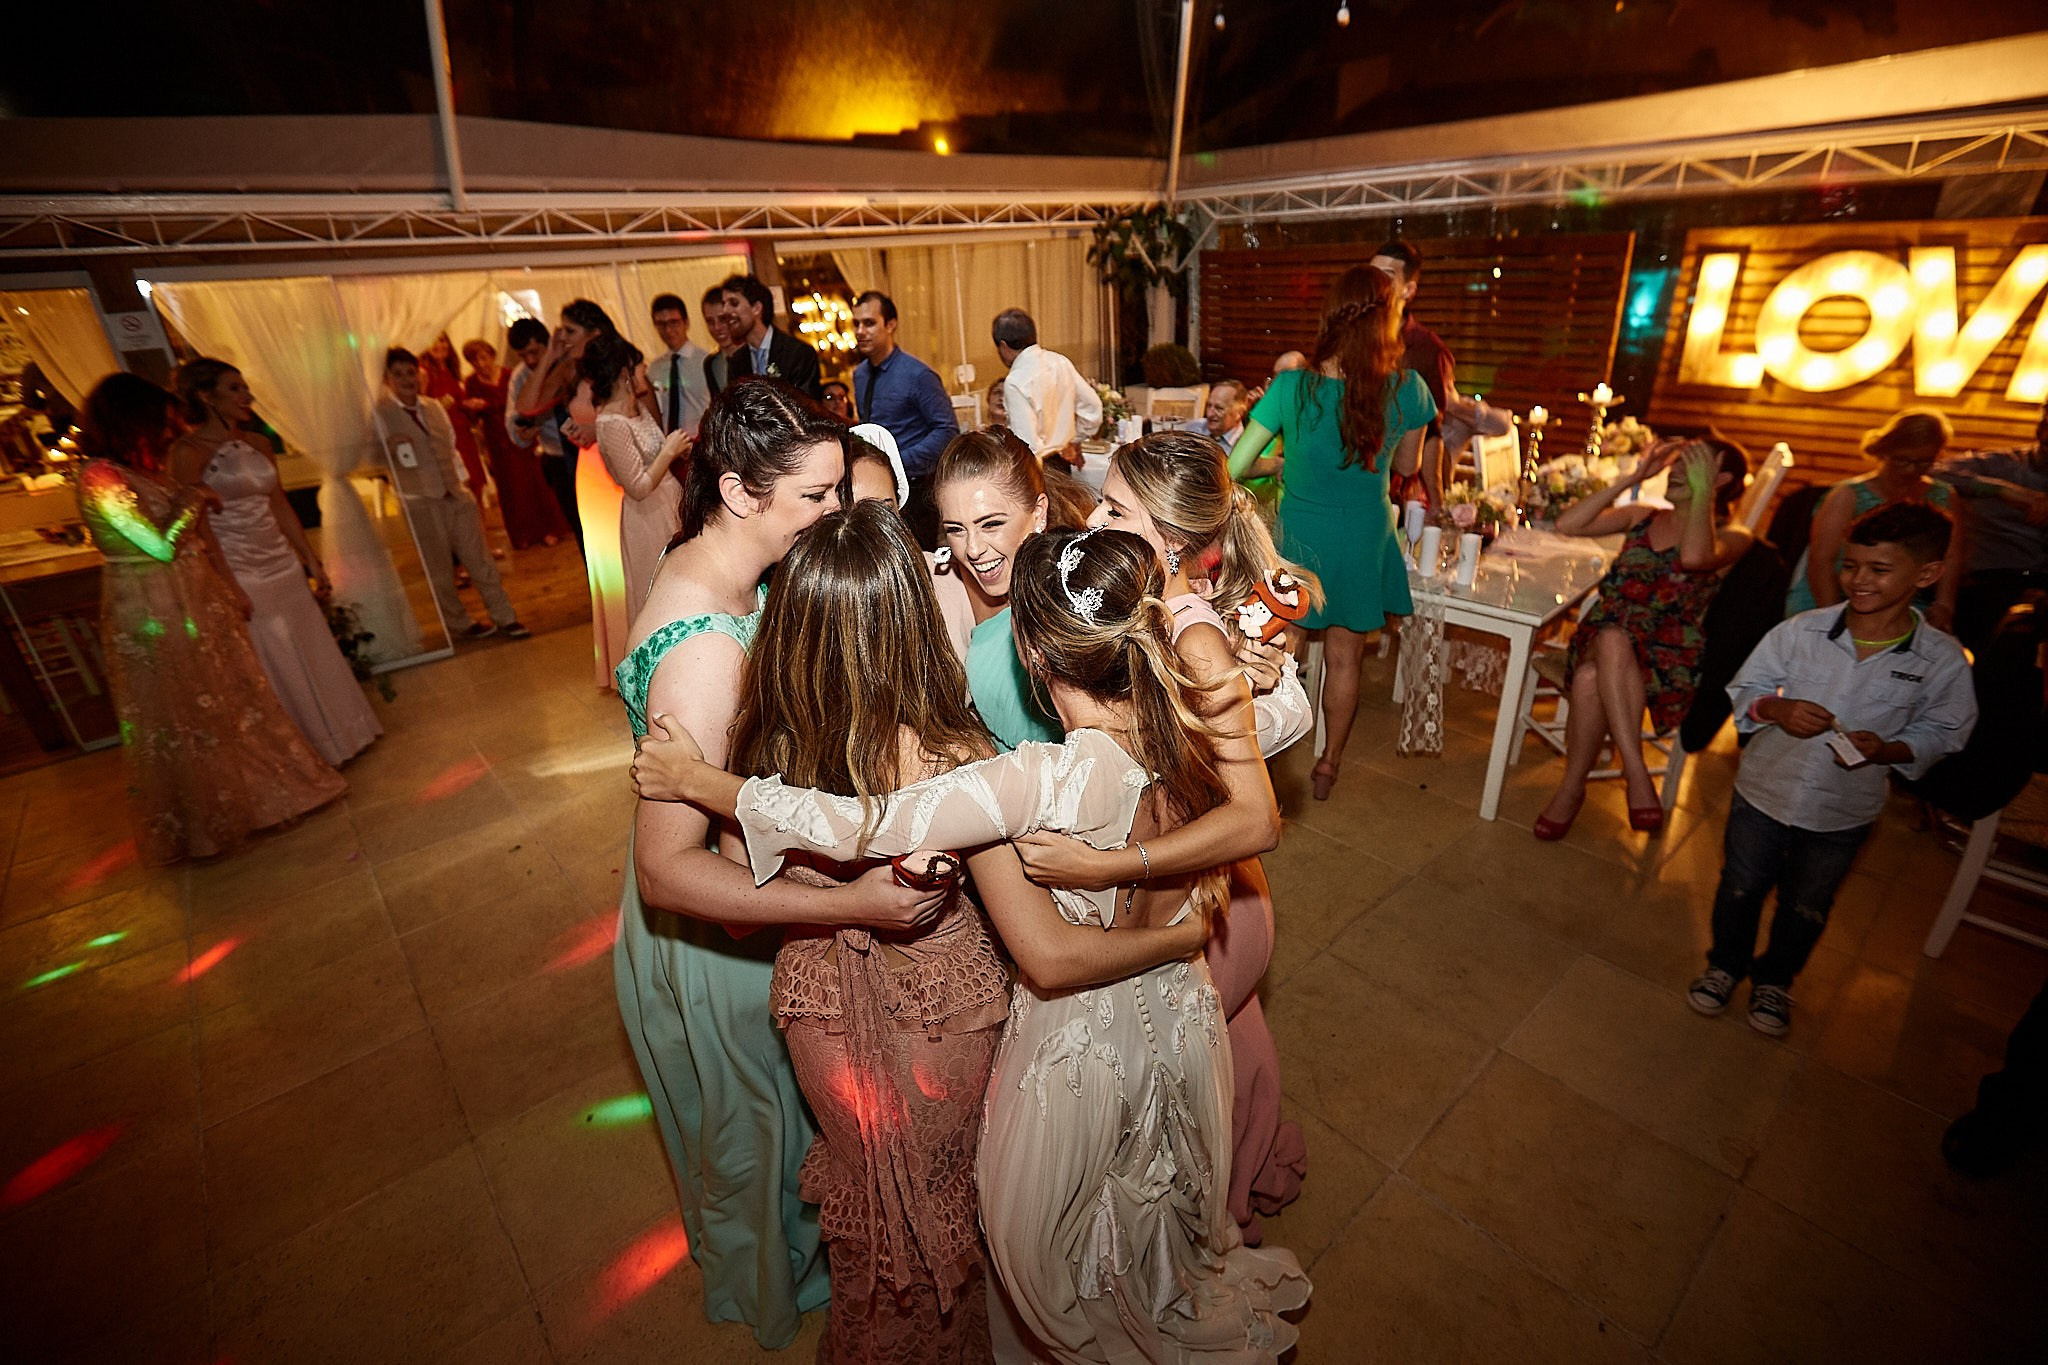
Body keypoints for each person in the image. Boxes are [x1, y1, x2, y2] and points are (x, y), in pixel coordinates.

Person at [646, 527, 1310, 1362]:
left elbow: (867, 824)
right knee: (1160, 1238)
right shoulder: (1201, 716)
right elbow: (1261, 808)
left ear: (1031, 650)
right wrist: (1175, 928)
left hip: (1079, 1055)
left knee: (1065, 1277)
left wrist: (703, 783)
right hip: (1182, 1029)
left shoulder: (1032, 783)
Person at [611, 380, 946, 1351]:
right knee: (760, 1145)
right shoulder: (703, 653)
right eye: (816, 497)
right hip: (723, 930)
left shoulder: (739, 566)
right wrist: (871, 907)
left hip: (769, 886)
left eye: (839, 489)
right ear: (738, 492)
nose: (836, 513)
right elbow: (668, 871)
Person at [1081, 429, 1317, 1242]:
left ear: (1173, 539)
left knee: (1180, 1094)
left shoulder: (1195, 632)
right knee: (1219, 1052)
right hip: (1209, 898)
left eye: (1113, 508)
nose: (1093, 521)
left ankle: (1202, 1219)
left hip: (1206, 906)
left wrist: (1113, 855)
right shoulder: (1141, 609)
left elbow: (1263, 791)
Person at [1690, 503, 1977, 1038]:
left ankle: (1775, 979)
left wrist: (1889, 749)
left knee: (1809, 903)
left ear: (1928, 574)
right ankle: (1724, 965)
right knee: (1740, 885)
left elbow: (1947, 729)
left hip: (1843, 810)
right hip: (1765, 791)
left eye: (1879, 570)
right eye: (1851, 566)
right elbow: (1747, 691)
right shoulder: (1801, 632)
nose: (1858, 580)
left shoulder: (1939, 661)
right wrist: (1777, 709)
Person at [74, 373, 346, 863]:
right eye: (159, 423)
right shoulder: (99, 479)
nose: (167, 432)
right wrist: (194, 498)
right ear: (130, 421)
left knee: (224, 698)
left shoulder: (142, 471)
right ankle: (205, 820)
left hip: (188, 594)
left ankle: (256, 795)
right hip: (152, 605)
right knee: (183, 710)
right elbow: (157, 546)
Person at [1227, 265, 1435, 801]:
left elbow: (1236, 466)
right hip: (1366, 537)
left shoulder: (1293, 386)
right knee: (1345, 659)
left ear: (1332, 317)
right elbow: (1408, 464)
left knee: (1279, 648)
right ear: (1388, 323)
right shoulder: (1408, 388)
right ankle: (1329, 764)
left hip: (1299, 539)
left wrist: (1281, 465)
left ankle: (1264, 759)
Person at [1533, 437, 1754, 840]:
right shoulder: (1643, 516)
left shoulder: (1735, 535)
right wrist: (1632, 478)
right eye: (1677, 465)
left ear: (1721, 479)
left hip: (1666, 655)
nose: (1675, 471)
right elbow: (1568, 524)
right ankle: (1635, 774)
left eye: (1692, 467)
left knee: (1587, 679)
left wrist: (1702, 495)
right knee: (1614, 636)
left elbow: (1694, 558)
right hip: (1603, 633)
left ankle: (1572, 788)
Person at [167, 358, 382, 768]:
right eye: (234, 388)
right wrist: (228, 585)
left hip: (280, 561)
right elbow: (200, 530)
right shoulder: (187, 453)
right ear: (204, 396)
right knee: (274, 656)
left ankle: (344, 734)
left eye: (244, 386)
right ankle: (302, 752)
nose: (246, 395)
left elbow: (279, 503)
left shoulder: (259, 443)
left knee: (311, 644)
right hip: (240, 565)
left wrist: (309, 558)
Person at [373, 348, 531, 641]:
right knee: (440, 571)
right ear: (387, 379)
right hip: (420, 501)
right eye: (399, 374)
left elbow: (453, 448)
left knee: (480, 561)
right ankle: (459, 624)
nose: (407, 379)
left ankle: (505, 617)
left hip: (456, 495)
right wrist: (388, 447)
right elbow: (371, 459)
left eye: (411, 373)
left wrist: (464, 487)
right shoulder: (380, 414)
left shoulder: (433, 406)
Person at [932, 429, 1066, 750]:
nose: (973, 549)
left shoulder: (1065, 604)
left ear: (1039, 513)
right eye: (956, 529)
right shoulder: (942, 578)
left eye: (991, 524)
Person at [1786, 407, 1960, 627]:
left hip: (1905, 598)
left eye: (1923, 462)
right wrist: (1834, 616)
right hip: (1835, 593)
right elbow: (1822, 561)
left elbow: (1951, 557)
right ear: (1885, 450)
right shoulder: (1847, 495)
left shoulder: (1943, 494)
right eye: (1902, 460)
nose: (1910, 470)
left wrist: (1944, 605)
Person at [583, 332, 686, 634]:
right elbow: (638, 486)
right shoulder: (609, 422)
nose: (644, 372)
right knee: (657, 592)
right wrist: (669, 451)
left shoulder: (637, 408)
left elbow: (655, 452)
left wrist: (674, 449)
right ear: (623, 373)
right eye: (638, 366)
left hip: (669, 503)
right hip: (647, 518)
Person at [1932, 402, 2048, 650]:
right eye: (2045, 424)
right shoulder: (2002, 465)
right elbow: (1933, 471)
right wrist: (2001, 490)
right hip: (1993, 582)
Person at [851, 289, 961, 549]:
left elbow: (947, 431)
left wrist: (898, 462)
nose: (860, 331)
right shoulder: (860, 375)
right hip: (877, 488)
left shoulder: (917, 374)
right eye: (856, 323)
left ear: (890, 325)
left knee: (917, 559)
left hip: (916, 489)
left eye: (869, 323)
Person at [1370, 238, 1460, 510]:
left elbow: (1432, 430)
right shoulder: (1356, 339)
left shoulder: (1427, 349)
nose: (1374, 282)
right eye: (1370, 273)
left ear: (1408, 290)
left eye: (1386, 276)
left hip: (1399, 488)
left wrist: (1435, 500)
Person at [465, 337, 570, 550]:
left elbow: (524, 404)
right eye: (474, 361)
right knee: (511, 488)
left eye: (483, 358)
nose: (481, 364)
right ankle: (523, 533)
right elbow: (472, 419)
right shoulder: (472, 383)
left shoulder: (509, 375)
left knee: (535, 481)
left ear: (491, 355)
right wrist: (474, 410)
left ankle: (549, 529)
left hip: (520, 434)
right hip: (496, 440)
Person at [505, 317, 581, 550]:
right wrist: (522, 434)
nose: (530, 360)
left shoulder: (572, 363)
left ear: (548, 343)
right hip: (558, 459)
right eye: (523, 355)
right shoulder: (520, 377)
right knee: (579, 527)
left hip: (588, 452)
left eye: (534, 352)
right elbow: (513, 423)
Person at [993, 308, 1101, 466]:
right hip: (1064, 461)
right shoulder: (1060, 361)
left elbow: (1027, 445)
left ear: (1003, 346)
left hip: (1040, 467)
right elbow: (1093, 407)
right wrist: (1075, 439)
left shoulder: (1015, 381)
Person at [722, 274, 825, 401]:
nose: (725, 310)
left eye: (734, 303)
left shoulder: (798, 354)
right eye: (724, 304)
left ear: (756, 308)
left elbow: (806, 409)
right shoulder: (737, 362)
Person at [418, 333, 490, 499]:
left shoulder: (451, 371)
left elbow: (458, 403)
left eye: (442, 341)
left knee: (475, 487)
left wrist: (470, 405)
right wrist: (438, 405)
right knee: (458, 489)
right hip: (446, 439)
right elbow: (420, 407)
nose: (439, 346)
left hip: (464, 436)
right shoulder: (423, 372)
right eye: (433, 342)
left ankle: (480, 525)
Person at [647, 292, 710, 438]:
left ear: (686, 322)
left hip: (703, 443)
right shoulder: (654, 368)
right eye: (661, 324)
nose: (668, 330)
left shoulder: (705, 362)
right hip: (670, 447)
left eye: (674, 323)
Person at [701, 285, 738, 397]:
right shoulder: (711, 364)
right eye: (710, 321)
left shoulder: (755, 355)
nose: (717, 327)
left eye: (723, 319)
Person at [1203, 378, 1250, 447]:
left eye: (1219, 408)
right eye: (1209, 405)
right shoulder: (1193, 428)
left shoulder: (1247, 446)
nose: (1209, 414)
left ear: (1239, 413)